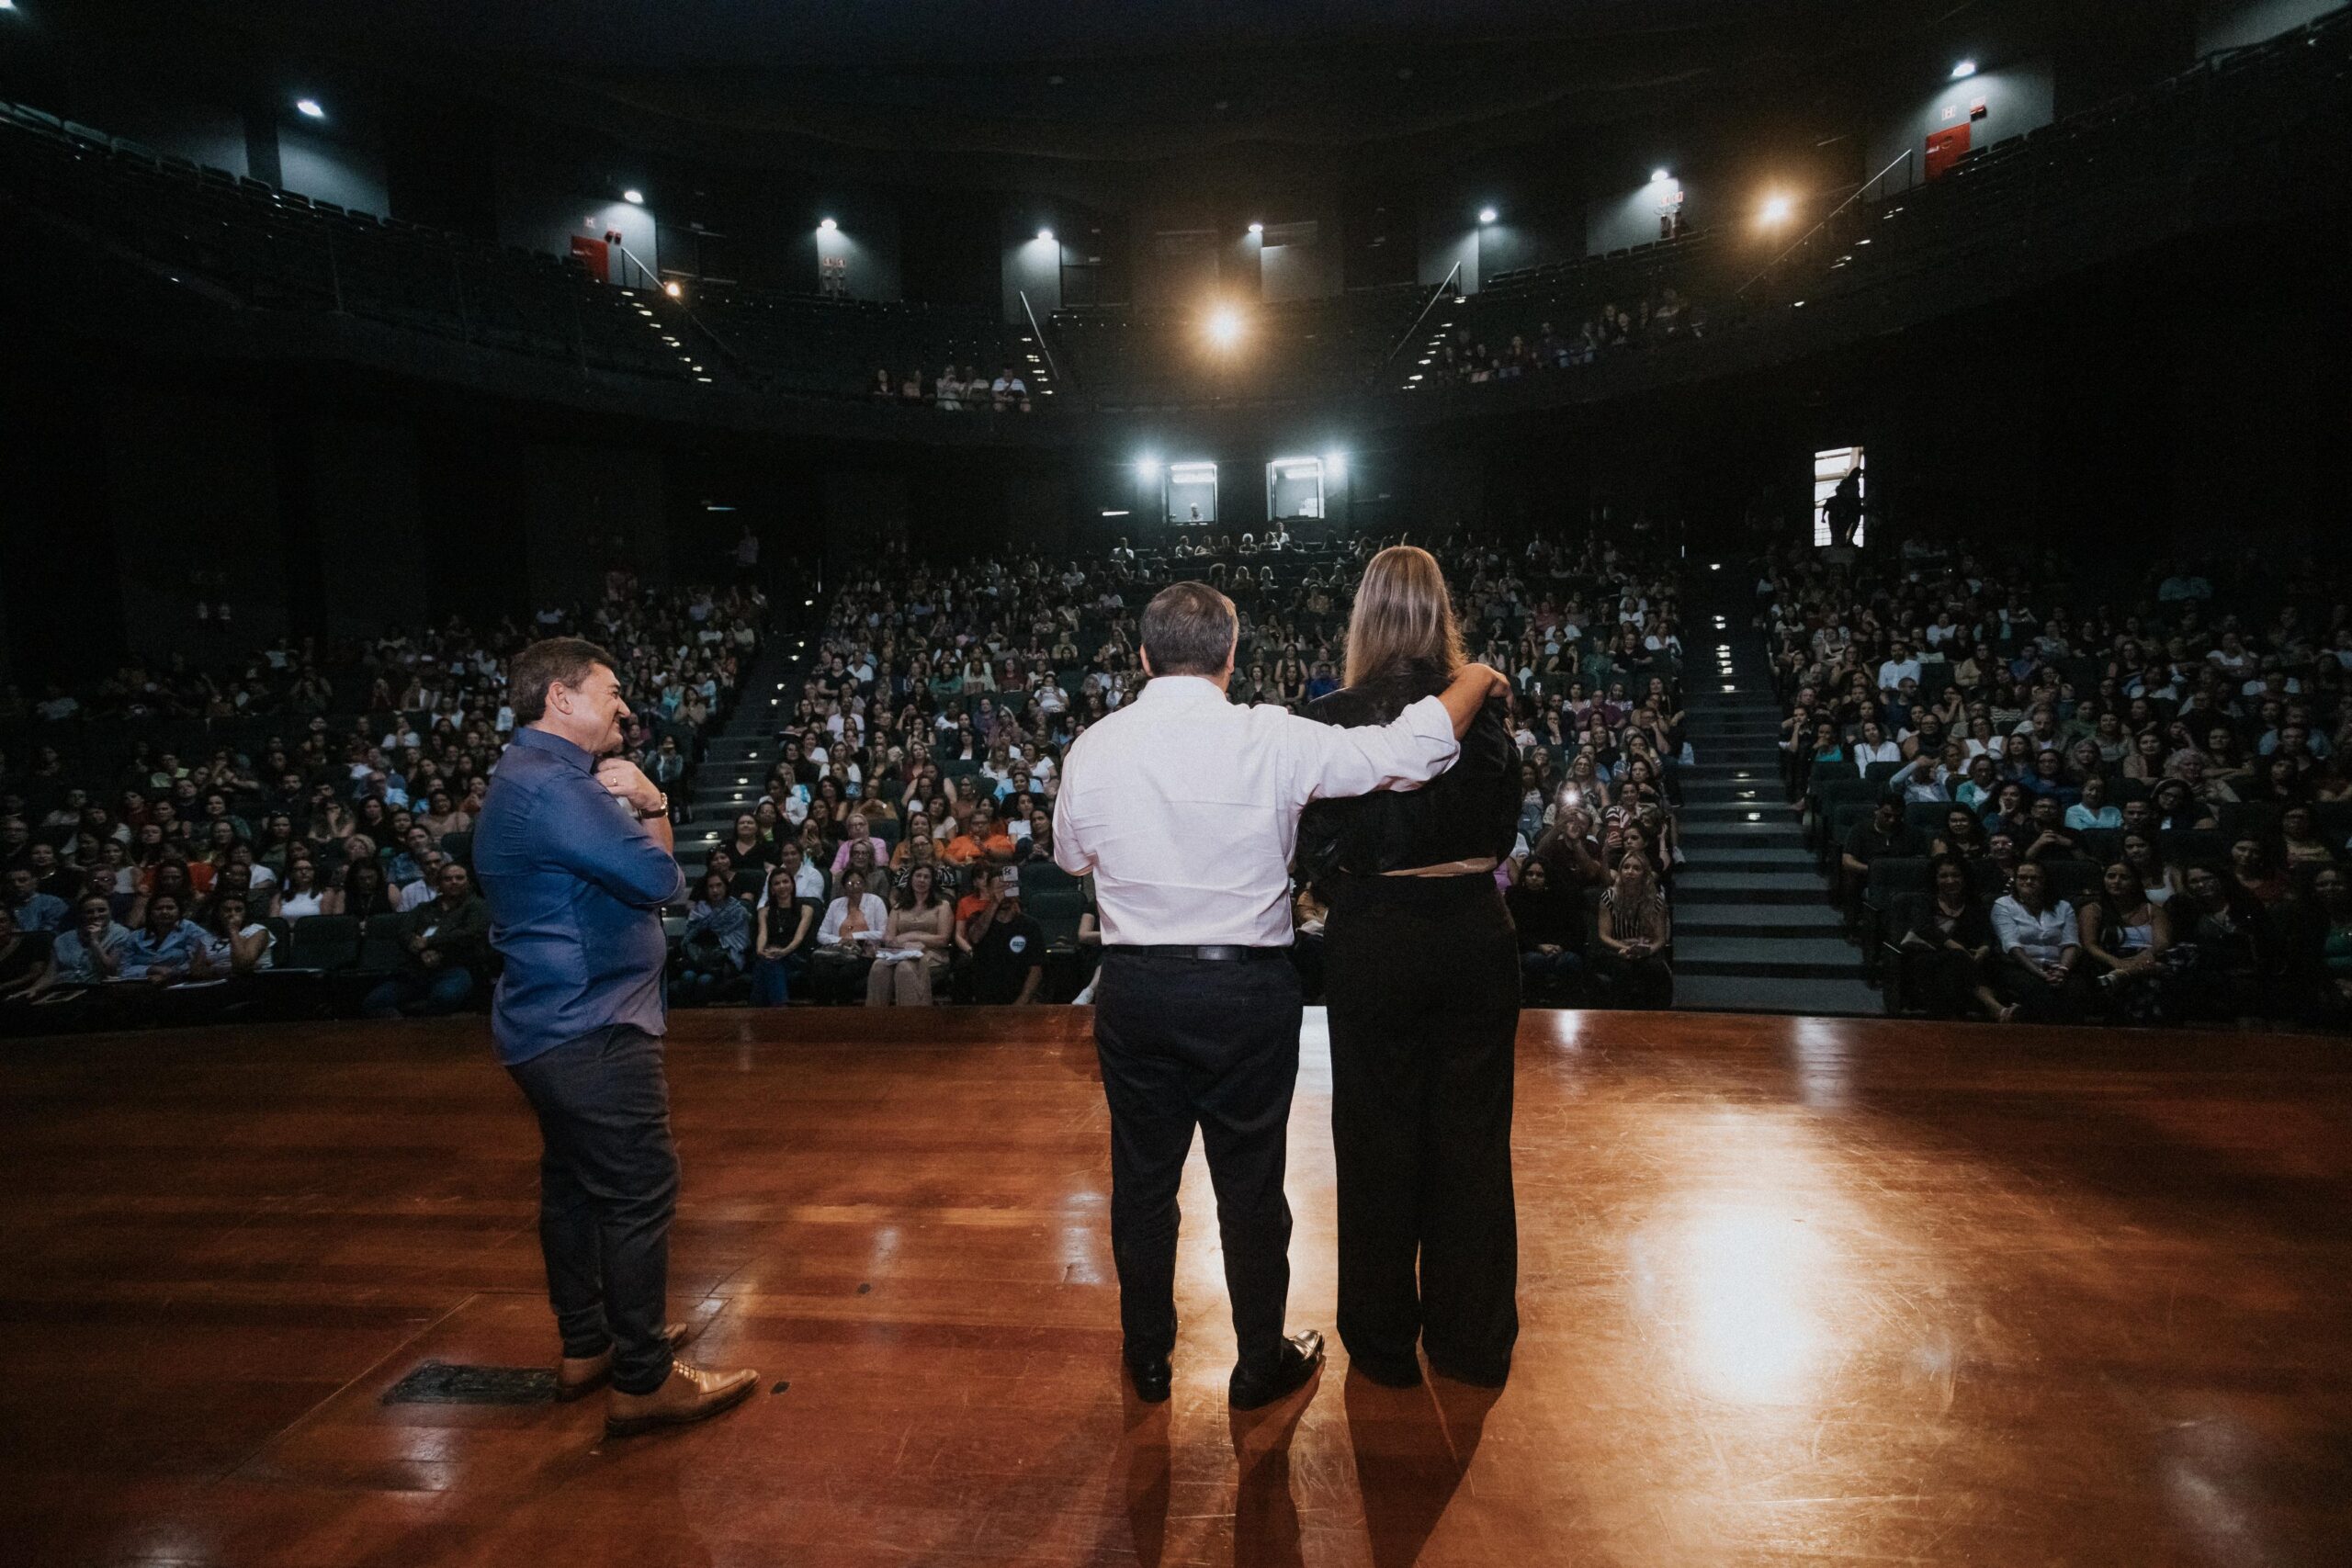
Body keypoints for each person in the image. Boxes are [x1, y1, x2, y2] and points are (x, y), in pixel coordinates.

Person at [1050, 579, 1506, 1411]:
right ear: (1231, 658)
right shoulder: (1270, 736)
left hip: (1139, 990)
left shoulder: (1095, 746)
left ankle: (1148, 1358)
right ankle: (1259, 1359)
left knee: (1143, 1184)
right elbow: (1406, 754)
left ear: (1143, 656)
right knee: (1251, 1185)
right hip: (1245, 990)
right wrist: (1472, 678)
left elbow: (1071, 857)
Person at [472, 637, 756, 1439]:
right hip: (591, 1025)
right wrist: (657, 802)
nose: (624, 707)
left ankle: (589, 1344)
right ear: (561, 699)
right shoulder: (558, 791)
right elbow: (664, 881)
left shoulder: (527, 779)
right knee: (638, 1189)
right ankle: (642, 1379)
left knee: (573, 1187)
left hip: (551, 1024)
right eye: (609, 691)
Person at [1293, 545, 1522, 1390]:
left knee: (1376, 1133)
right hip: (1471, 930)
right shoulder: (1487, 712)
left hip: (1377, 933)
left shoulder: (1329, 716)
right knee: (1472, 1139)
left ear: (1364, 616)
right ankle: (1472, 1341)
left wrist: (1356, 881)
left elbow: (1315, 847)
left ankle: (1384, 1341)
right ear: (1441, 613)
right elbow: (1501, 831)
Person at [362, 862, 492, 1017]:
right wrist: (420, 950)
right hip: (417, 969)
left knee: (444, 997)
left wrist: (430, 942)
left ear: (468, 882)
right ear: (438, 884)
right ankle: (402, 1031)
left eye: (459, 878)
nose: (454, 882)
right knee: (374, 1002)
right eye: (448, 879)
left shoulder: (478, 906)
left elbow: (471, 934)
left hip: (456, 967)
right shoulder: (424, 908)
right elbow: (404, 932)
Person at [1893, 855, 2005, 1021]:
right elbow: (1923, 928)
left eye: (1956, 875)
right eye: (1944, 876)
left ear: (1964, 877)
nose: (1950, 880)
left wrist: (1984, 948)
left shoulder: (1974, 903)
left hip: (1967, 957)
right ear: (1935, 878)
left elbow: (1987, 933)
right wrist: (1955, 947)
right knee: (1957, 960)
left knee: (1965, 964)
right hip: (1927, 955)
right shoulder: (1924, 900)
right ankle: (1994, 1006)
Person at [1989, 861, 2091, 1022]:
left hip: (2058, 967)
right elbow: (2012, 946)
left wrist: (2062, 970)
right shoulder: (2003, 905)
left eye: (2034, 878)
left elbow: (2071, 943)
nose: (2028, 882)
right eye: (2022, 877)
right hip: (2020, 967)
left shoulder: (2063, 907)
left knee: (2076, 989)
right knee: (2039, 990)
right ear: (2015, 881)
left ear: (2044, 881)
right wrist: (2041, 974)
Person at [1592, 852, 1673, 1008]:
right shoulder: (1608, 897)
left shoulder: (1656, 901)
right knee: (1623, 969)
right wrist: (1627, 949)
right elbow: (1604, 936)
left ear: (1645, 874)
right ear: (1620, 871)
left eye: (1636, 868)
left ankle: (1657, 1019)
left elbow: (1660, 939)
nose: (1630, 872)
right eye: (1626, 867)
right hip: (1614, 951)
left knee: (1656, 970)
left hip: (1645, 951)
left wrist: (1646, 950)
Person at [865, 863, 953, 1006]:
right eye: (918, 876)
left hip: (931, 953)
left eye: (926, 877)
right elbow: (889, 937)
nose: (921, 880)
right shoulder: (898, 907)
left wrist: (912, 936)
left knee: (904, 968)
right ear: (911, 879)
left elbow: (943, 939)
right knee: (879, 966)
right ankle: (875, 1018)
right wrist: (896, 943)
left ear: (932, 882)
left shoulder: (942, 906)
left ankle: (911, 1020)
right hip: (901, 951)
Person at [966, 865, 1045, 1004]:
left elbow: (1036, 969)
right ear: (989, 891)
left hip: (1020, 998)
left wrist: (1022, 1001)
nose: (1004, 893)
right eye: (999, 889)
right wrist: (995, 902)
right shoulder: (976, 918)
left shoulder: (1030, 925)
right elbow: (975, 937)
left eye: (1008, 888)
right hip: (986, 999)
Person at [673, 869, 751, 1002]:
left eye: (719, 885)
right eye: (711, 886)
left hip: (725, 960)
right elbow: (688, 939)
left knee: (705, 980)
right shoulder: (699, 910)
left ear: (726, 886)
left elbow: (741, 942)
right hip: (698, 959)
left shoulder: (738, 911)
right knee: (687, 976)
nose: (715, 890)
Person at [749, 866, 815, 1006]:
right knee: (768, 963)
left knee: (766, 965)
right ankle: (780, 1010)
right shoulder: (764, 911)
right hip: (771, 953)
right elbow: (762, 934)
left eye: (785, 882)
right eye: (777, 883)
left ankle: (757, 1011)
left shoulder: (806, 909)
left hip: (795, 955)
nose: (782, 886)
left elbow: (799, 937)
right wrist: (761, 951)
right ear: (771, 889)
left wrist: (783, 952)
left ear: (792, 884)